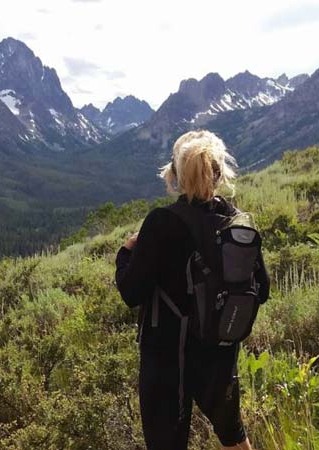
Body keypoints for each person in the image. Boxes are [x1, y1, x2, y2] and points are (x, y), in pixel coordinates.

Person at [115, 130, 270, 450]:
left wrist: (125, 253)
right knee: (234, 436)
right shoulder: (238, 222)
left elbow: (131, 292)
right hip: (221, 353)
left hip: (168, 361)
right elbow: (262, 290)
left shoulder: (161, 223)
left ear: (175, 176)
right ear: (219, 172)